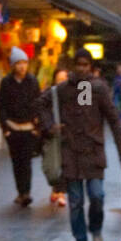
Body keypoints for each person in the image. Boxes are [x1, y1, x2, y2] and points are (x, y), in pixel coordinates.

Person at [46, 48, 121, 241]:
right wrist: (52, 126)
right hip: (71, 154)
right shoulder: (64, 89)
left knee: (97, 195)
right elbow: (41, 104)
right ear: (74, 66)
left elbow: (113, 121)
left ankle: (96, 229)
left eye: (85, 64)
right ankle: (80, 240)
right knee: (75, 201)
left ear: (90, 67)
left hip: (93, 153)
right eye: (78, 64)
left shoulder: (96, 88)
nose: (81, 68)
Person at [0, 47, 41, 207]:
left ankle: (26, 192)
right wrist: (5, 128)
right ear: (12, 65)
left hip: (29, 127)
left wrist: (37, 125)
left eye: (24, 63)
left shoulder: (32, 81)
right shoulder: (6, 82)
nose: (22, 66)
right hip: (12, 126)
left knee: (27, 161)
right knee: (16, 161)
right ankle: (20, 191)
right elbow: (1, 105)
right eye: (18, 63)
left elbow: (38, 103)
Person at [37, 65, 68, 209]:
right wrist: (49, 126)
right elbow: (40, 108)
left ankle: (61, 193)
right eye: (59, 79)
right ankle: (56, 189)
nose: (62, 82)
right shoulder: (49, 94)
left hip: (68, 135)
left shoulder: (76, 93)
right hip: (52, 134)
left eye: (65, 79)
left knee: (64, 164)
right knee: (53, 165)